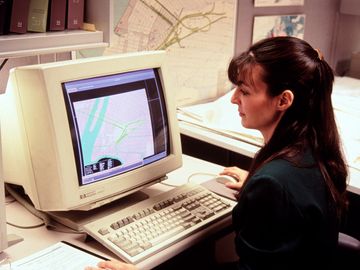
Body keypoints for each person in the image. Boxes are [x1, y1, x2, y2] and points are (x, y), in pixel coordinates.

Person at [85, 36, 348, 270]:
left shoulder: (275, 183)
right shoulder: (316, 152)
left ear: (283, 101)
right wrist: (258, 185)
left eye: (244, 91)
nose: (234, 99)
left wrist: (267, 188)